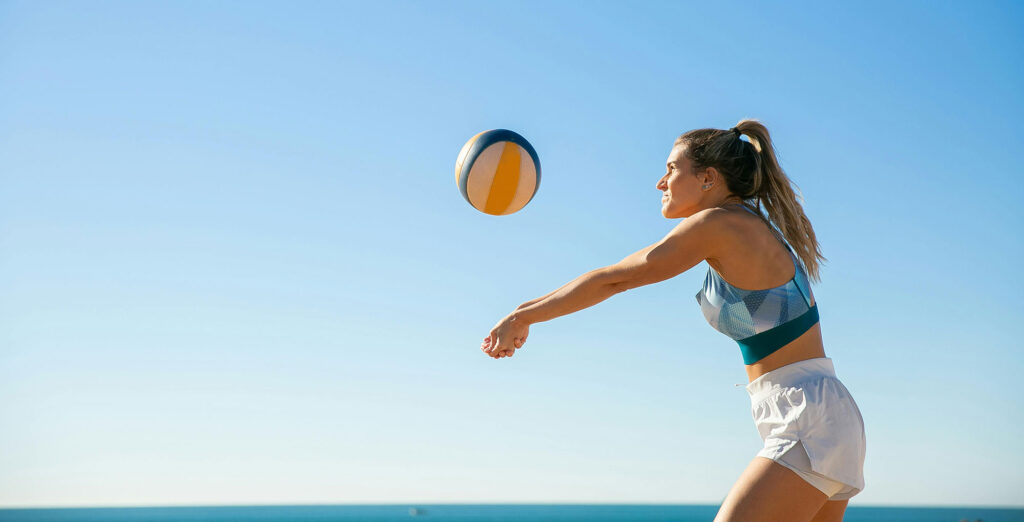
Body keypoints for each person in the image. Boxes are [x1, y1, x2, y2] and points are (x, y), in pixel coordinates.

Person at [480, 120, 867, 522]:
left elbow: (617, 278)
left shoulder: (719, 224)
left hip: (807, 415)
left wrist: (524, 316)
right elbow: (615, 273)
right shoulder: (740, 225)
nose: (660, 182)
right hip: (819, 413)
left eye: (671, 169)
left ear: (707, 178)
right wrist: (521, 313)